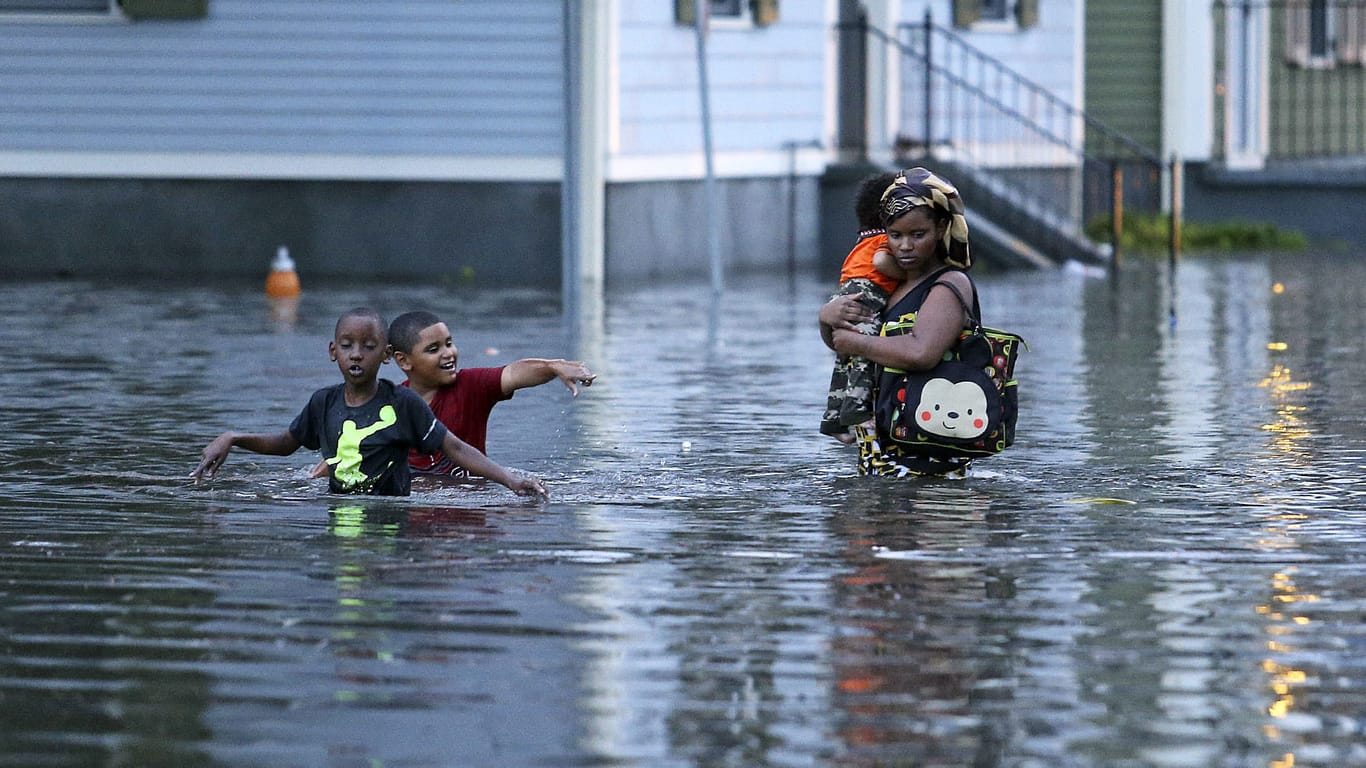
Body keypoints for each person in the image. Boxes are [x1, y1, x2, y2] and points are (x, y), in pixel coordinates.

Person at [192, 307, 546, 498]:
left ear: (388, 356)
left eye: (368, 346)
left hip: (391, 519)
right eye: (347, 346)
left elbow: (455, 447)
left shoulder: (403, 403)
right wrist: (233, 438)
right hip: (341, 516)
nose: (357, 355)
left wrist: (511, 480)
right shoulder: (323, 402)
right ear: (333, 352)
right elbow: (286, 444)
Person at [818, 167, 978, 477]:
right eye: (895, 235)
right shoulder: (888, 286)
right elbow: (846, 345)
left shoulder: (948, 283)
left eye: (918, 235)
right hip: (878, 458)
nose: (905, 246)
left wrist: (858, 342)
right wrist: (827, 318)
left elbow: (922, 353)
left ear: (941, 228)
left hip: (932, 466)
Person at [385, 310, 597, 476]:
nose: (448, 353)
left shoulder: (469, 385)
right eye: (434, 349)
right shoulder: (391, 405)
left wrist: (553, 366)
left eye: (449, 344)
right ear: (403, 360)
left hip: (470, 508)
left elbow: (514, 373)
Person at [820, 170, 906, 444]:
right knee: (862, 356)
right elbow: (881, 264)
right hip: (866, 297)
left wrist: (826, 314)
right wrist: (906, 273)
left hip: (847, 292)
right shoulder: (885, 240)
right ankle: (856, 412)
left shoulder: (863, 241)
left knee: (844, 360)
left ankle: (833, 419)